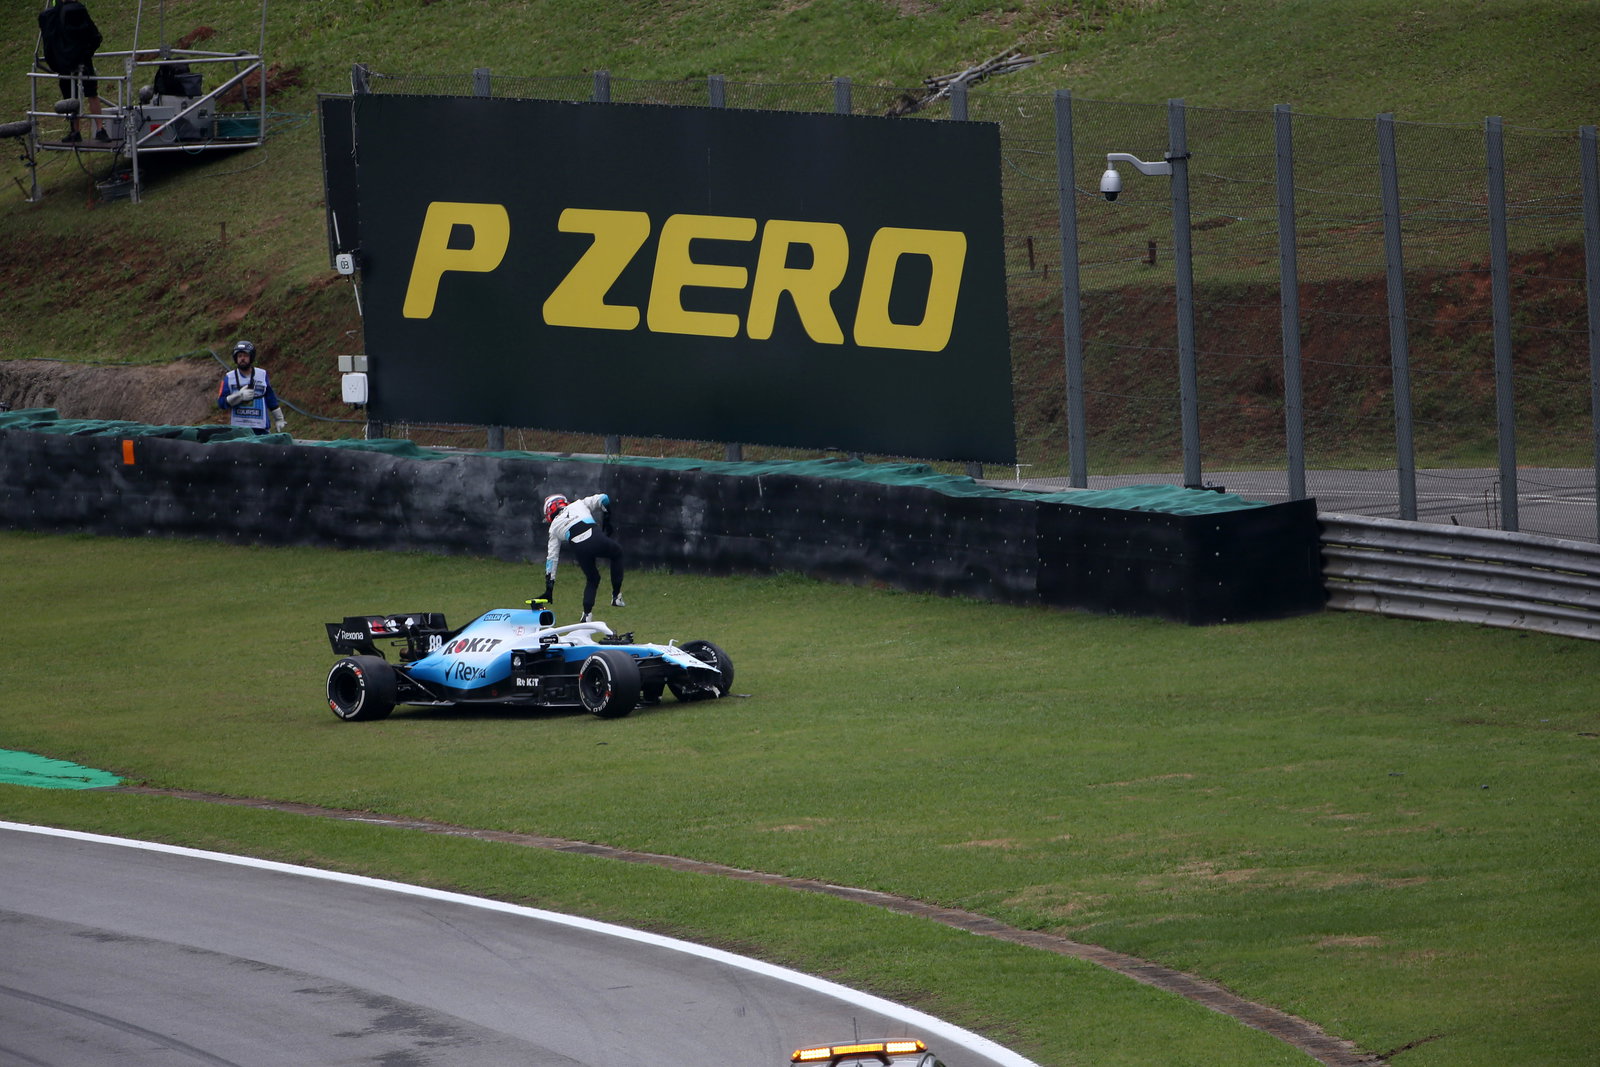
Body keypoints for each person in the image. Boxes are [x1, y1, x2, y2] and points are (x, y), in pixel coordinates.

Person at [542, 493, 625, 622]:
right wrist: (607, 518)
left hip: (580, 549)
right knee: (617, 553)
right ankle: (616, 597)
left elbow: (552, 558)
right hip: (595, 537)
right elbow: (604, 498)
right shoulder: (578, 503)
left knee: (593, 578)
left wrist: (549, 587)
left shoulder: (553, 528)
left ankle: (587, 615)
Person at [38, 0, 105, 143]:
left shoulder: (50, 16)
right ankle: (99, 129)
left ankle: (76, 131)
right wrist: (87, 52)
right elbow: (93, 36)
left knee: (71, 96)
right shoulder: (76, 10)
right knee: (91, 93)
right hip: (82, 59)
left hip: (64, 62)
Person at [216, 340, 286, 435]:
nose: (242, 359)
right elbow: (221, 403)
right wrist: (239, 396)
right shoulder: (229, 377)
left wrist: (279, 418)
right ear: (235, 358)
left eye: (245, 356)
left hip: (261, 429)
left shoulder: (262, 374)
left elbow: (271, 398)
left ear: (251, 357)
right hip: (239, 430)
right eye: (240, 356)